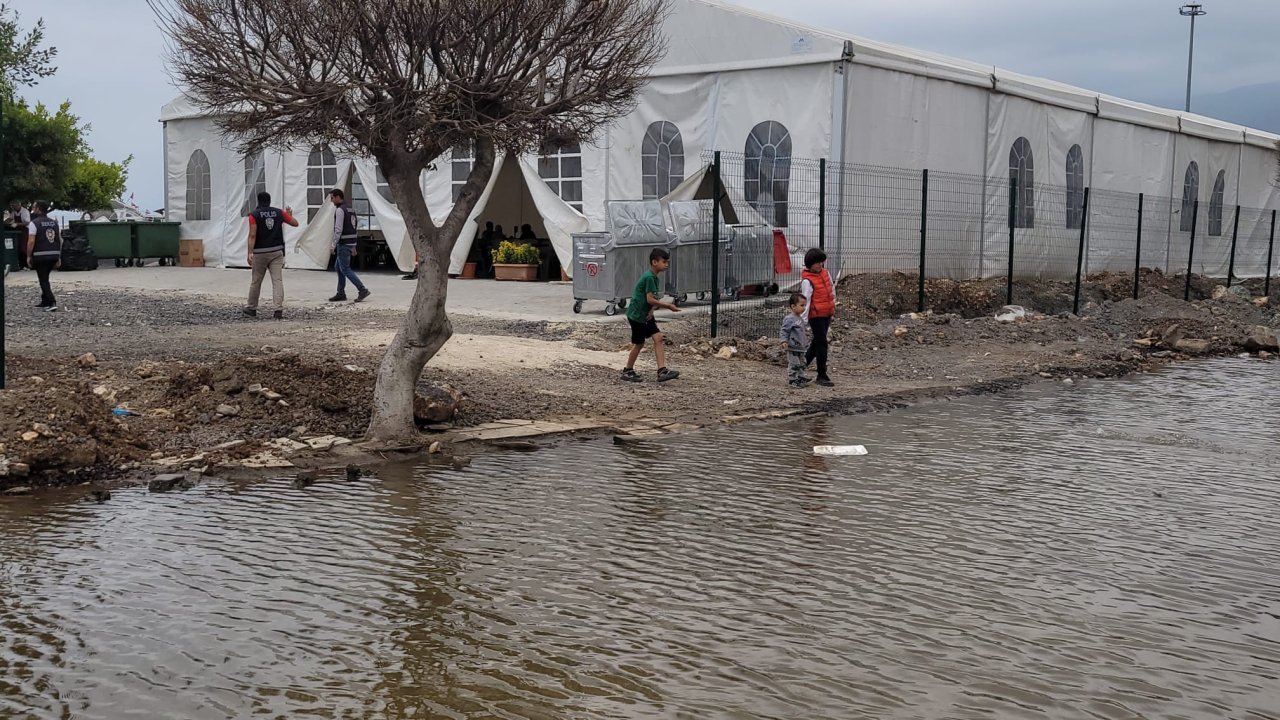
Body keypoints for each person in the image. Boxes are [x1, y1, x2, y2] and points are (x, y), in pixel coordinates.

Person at [622, 247, 681, 383]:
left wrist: (652, 311)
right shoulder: (649, 277)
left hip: (645, 314)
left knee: (658, 338)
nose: (666, 265)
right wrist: (668, 306)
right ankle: (628, 370)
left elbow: (650, 299)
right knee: (639, 343)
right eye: (664, 262)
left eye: (667, 262)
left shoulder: (653, 277)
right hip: (637, 315)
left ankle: (662, 370)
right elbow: (650, 299)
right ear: (654, 262)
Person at [243, 191, 298, 319]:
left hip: (260, 252)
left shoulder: (254, 215)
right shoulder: (279, 213)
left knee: (256, 281)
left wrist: (249, 252)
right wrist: (289, 215)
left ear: (258, 201)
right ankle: (278, 310)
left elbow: (252, 235)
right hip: (276, 251)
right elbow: (295, 223)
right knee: (277, 280)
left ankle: (252, 308)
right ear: (269, 200)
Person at [327, 189, 371, 302]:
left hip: (343, 243)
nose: (331, 201)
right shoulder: (350, 209)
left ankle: (362, 290)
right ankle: (340, 293)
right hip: (350, 242)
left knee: (345, 269)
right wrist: (354, 245)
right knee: (339, 267)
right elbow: (354, 228)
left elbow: (338, 229)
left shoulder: (340, 210)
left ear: (337, 197)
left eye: (332, 198)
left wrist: (333, 244)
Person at [800, 248, 835, 386]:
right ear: (810, 264)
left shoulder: (825, 273)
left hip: (827, 312)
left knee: (817, 343)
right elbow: (805, 301)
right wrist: (803, 320)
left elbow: (832, 289)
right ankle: (822, 374)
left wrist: (833, 307)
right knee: (821, 343)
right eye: (817, 263)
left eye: (821, 262)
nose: (820, 265)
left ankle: (800, 367)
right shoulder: (807, 281)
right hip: (816, 315)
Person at [27, 201, 61, 311]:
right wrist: (59, 255)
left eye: (34, 207)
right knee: (45, 277)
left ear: (39, 209)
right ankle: (45, 300)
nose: (32, 208)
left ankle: (51, 302)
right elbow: (59, 239)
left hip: (40, 254)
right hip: (54, 254)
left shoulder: (34, 223)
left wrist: (28, 256)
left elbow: (31, 241)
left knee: (43, 279)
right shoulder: (54, 223)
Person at [780, 292, 811, 387]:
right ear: (793, 306)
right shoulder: (789, 319)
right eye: (802, 305)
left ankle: (800, 376)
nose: (804, 308)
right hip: (793, 346)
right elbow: (784, 330)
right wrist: (784, 340)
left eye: (805, 305)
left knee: (802, 362)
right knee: (794, 363)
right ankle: (793, 379)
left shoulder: (799, 318)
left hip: (801, 347)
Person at [6, 200, 31, 270]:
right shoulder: (14, 212)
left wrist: (17, 224)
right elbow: (10, 218)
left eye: (14, 206)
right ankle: (20, 264)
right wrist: (4, 222)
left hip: (24, 232)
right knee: (17, 248)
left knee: (23, 248)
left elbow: (27, 223)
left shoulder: (25, 212)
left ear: (19, 205)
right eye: (12, 206)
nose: (13, 207)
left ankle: (26, 265)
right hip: (17, 232)